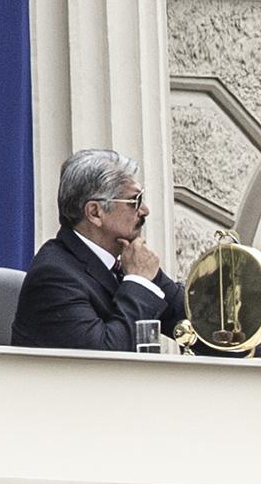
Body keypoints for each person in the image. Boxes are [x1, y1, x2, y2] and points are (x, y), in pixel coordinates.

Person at [12, 149, 186, 352]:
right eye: (134, 201)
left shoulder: (126, 260)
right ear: (95, 212)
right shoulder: (54, 276)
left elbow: (195, 321)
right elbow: (106, 360)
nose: (145, 210)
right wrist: (139, 282)